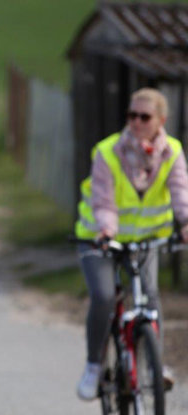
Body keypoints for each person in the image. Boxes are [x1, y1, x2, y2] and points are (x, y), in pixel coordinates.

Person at [75, 88, 188, 399]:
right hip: (98, 238)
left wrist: (186, 222)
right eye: (131, 115)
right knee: (103, 296)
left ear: (161, 120)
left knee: (150, 298)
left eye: (144, 117)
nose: (136, 122)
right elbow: (103, 201)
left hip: (144, 241)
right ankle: (94, 366)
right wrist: (107, 231)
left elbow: (180, 192)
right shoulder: (108, 152)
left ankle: (155, 366)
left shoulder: (173, 152)